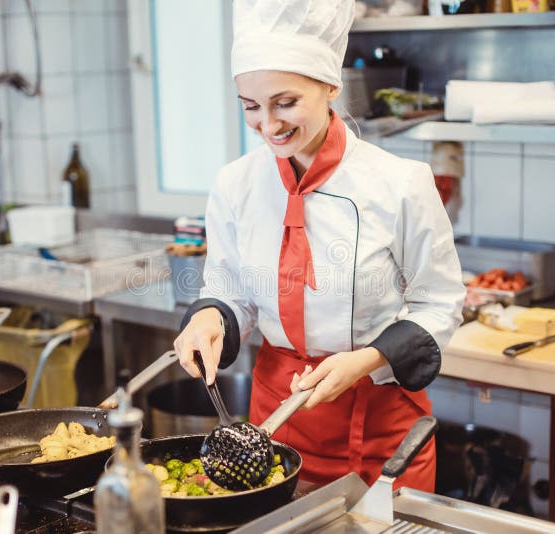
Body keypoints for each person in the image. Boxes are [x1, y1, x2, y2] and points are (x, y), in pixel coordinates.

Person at [173, 0, 465, 491]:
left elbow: (440, 304)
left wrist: (366, 360)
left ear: (330, 85)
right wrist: (209, 317)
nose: (268, 125)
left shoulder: (400, 184)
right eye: (250, 106)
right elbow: (231, 290)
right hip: (271, 429)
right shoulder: (234, 185)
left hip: (381, 430)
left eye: (285, 103)